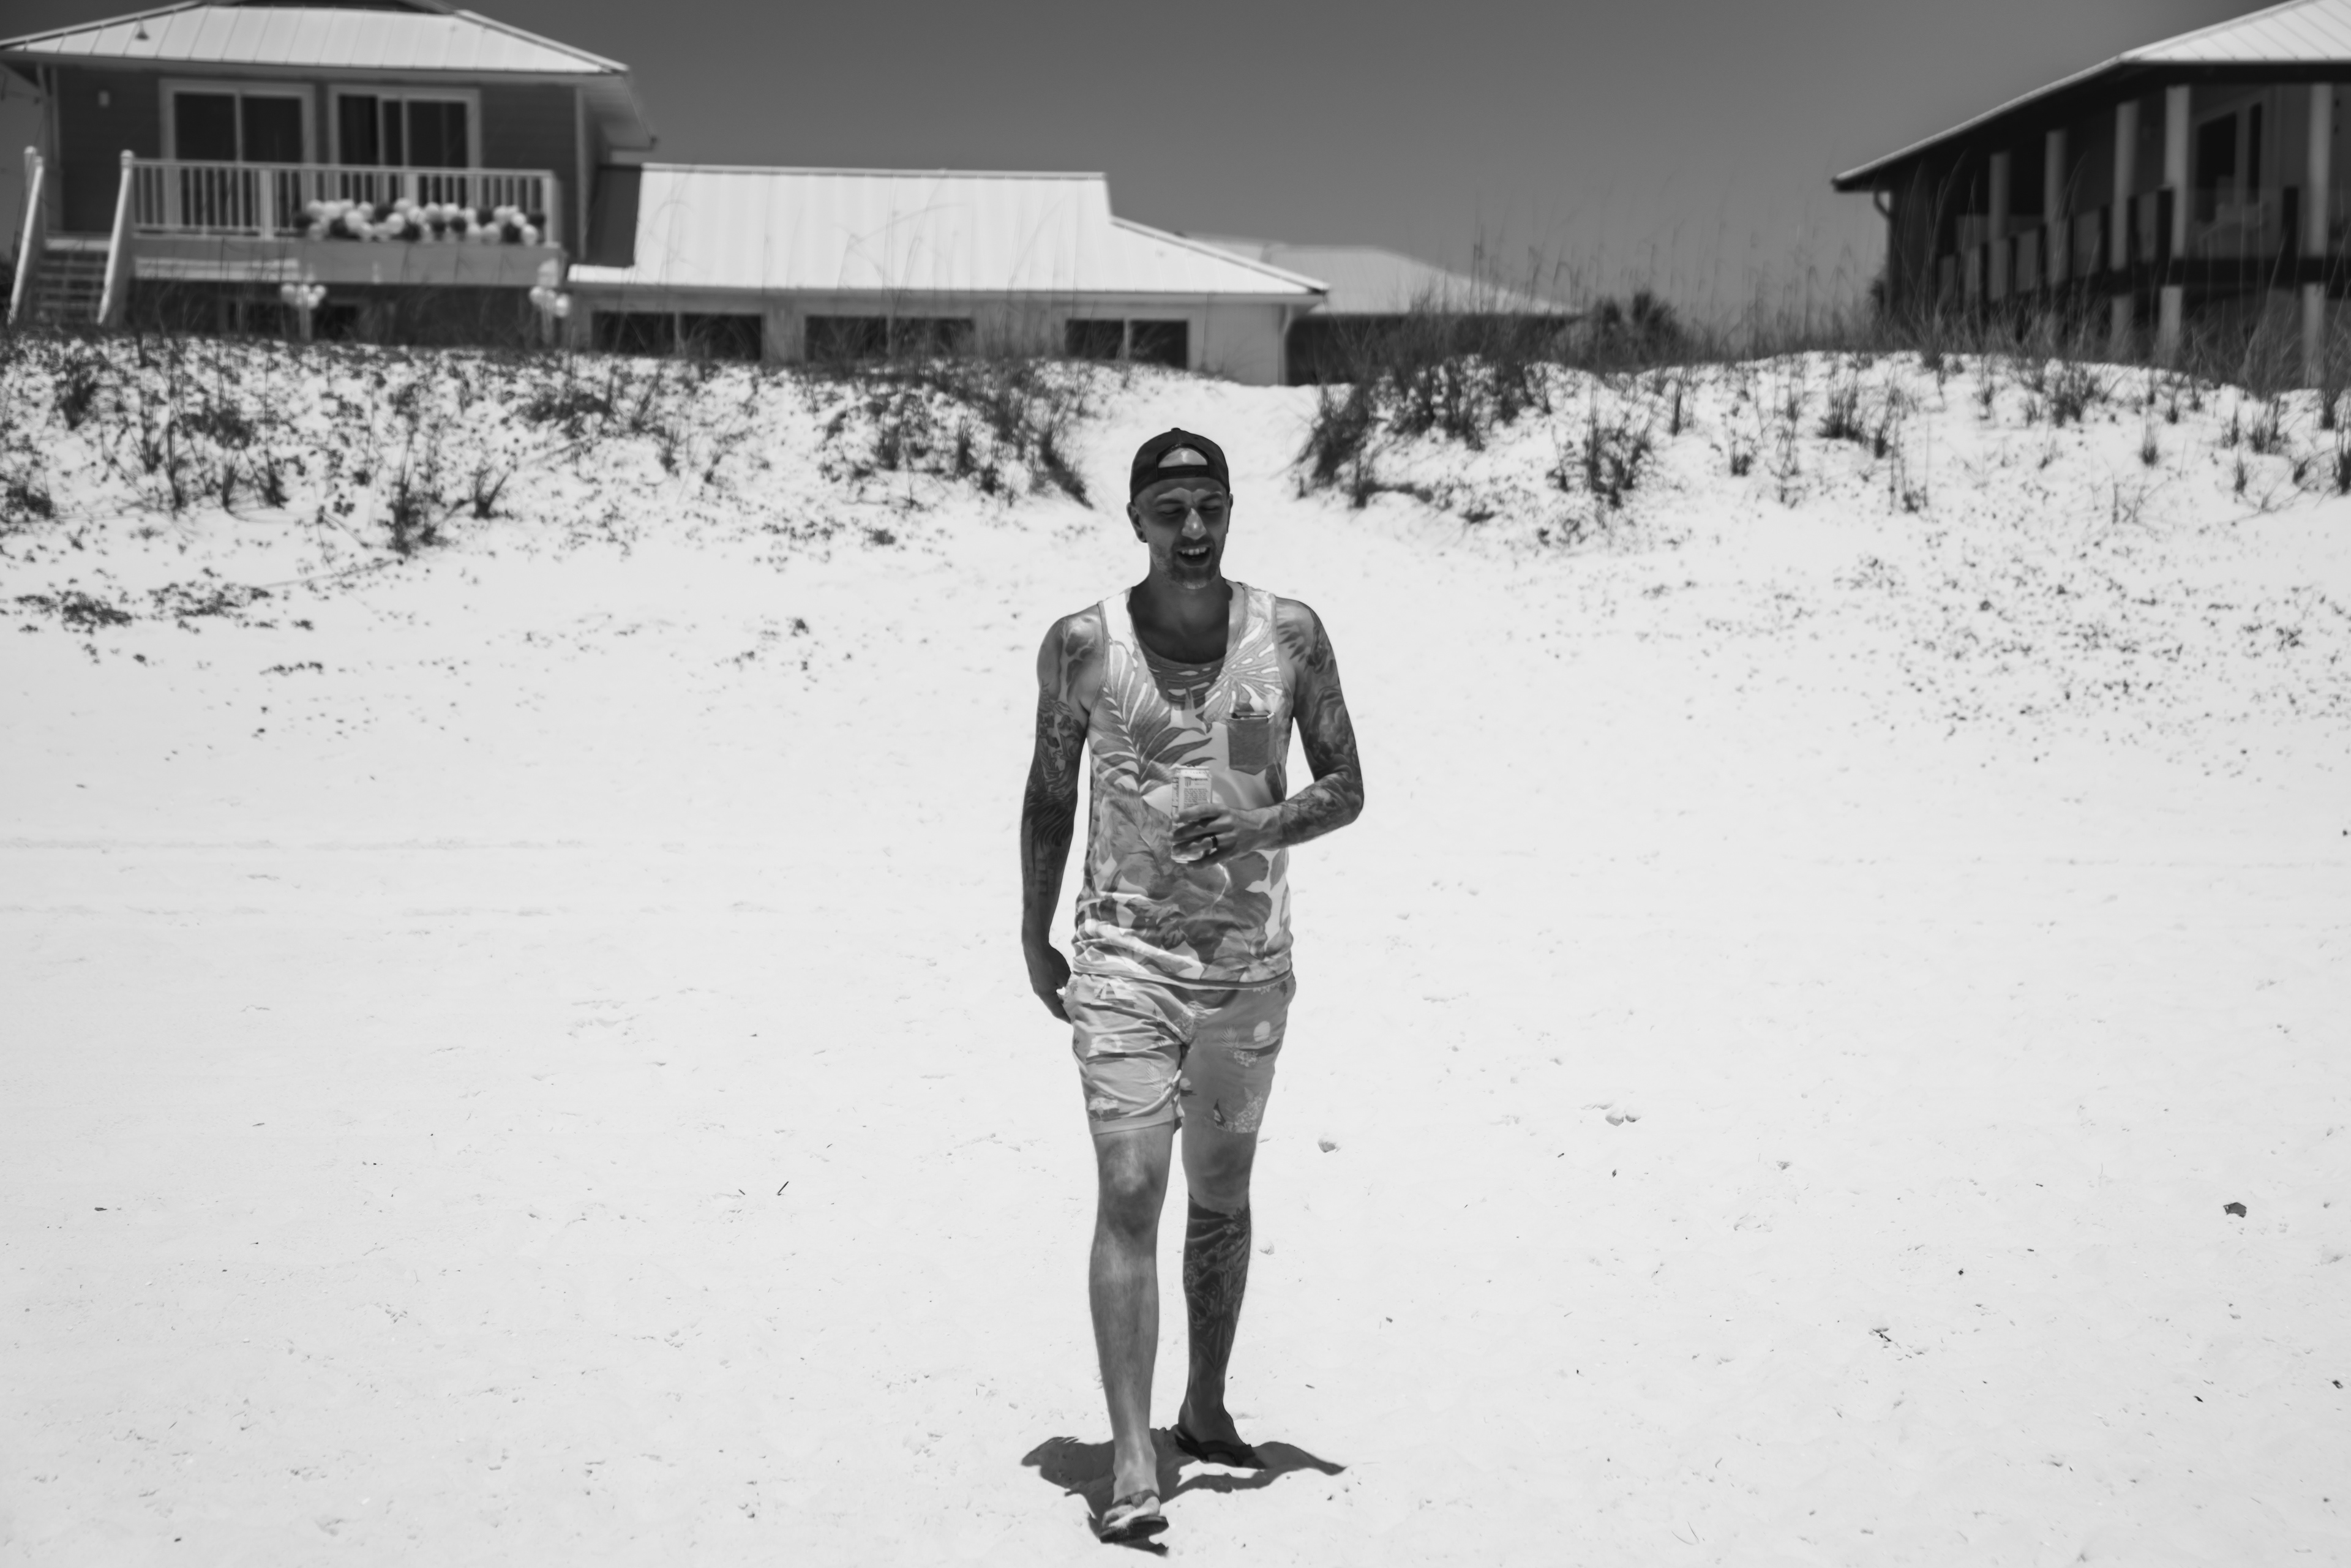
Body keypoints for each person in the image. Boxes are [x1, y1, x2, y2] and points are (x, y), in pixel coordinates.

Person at [1018, 428, 1365, 1544]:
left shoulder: (1291, 634)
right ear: (1135, 520)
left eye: (1210, 505)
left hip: (1249, 969)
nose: (1195, 528)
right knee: (1131, 1187)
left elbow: (1348, 785)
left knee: (1221, 1193)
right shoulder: (1084, 645)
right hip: (1122, 958)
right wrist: (1034, 932)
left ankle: (1205, 1408)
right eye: (1170, 510)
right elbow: (1048, 794)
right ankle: (1131, 1457)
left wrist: (1263, 825)